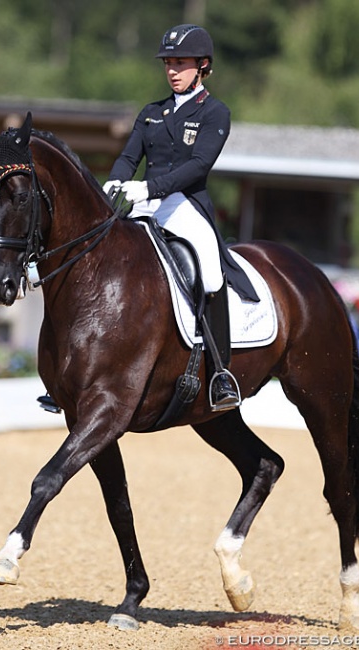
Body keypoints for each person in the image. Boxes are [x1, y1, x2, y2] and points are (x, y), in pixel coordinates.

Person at [103, 24, 259, 411]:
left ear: (203, 66)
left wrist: (150, 189)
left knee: (209, 269)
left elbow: (199, 166)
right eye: (168, 63)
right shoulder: (151, 112)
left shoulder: (215, 112)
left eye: (181, 63)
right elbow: (128, 157)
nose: (172, 70)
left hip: (185, 204)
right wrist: (115, 182)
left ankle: (222, 373)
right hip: (144, 202)